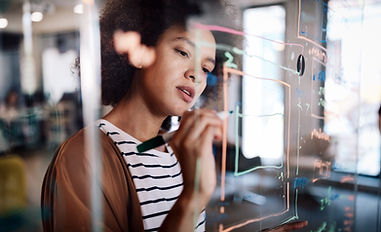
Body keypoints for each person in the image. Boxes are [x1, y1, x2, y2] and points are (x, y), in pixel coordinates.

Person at [41, 0, 307, 231]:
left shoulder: (176, 150)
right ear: (140, 50)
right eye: (182, 52)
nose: (196, 75)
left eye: (206, 68)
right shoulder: (83, 157)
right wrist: (192, 198)